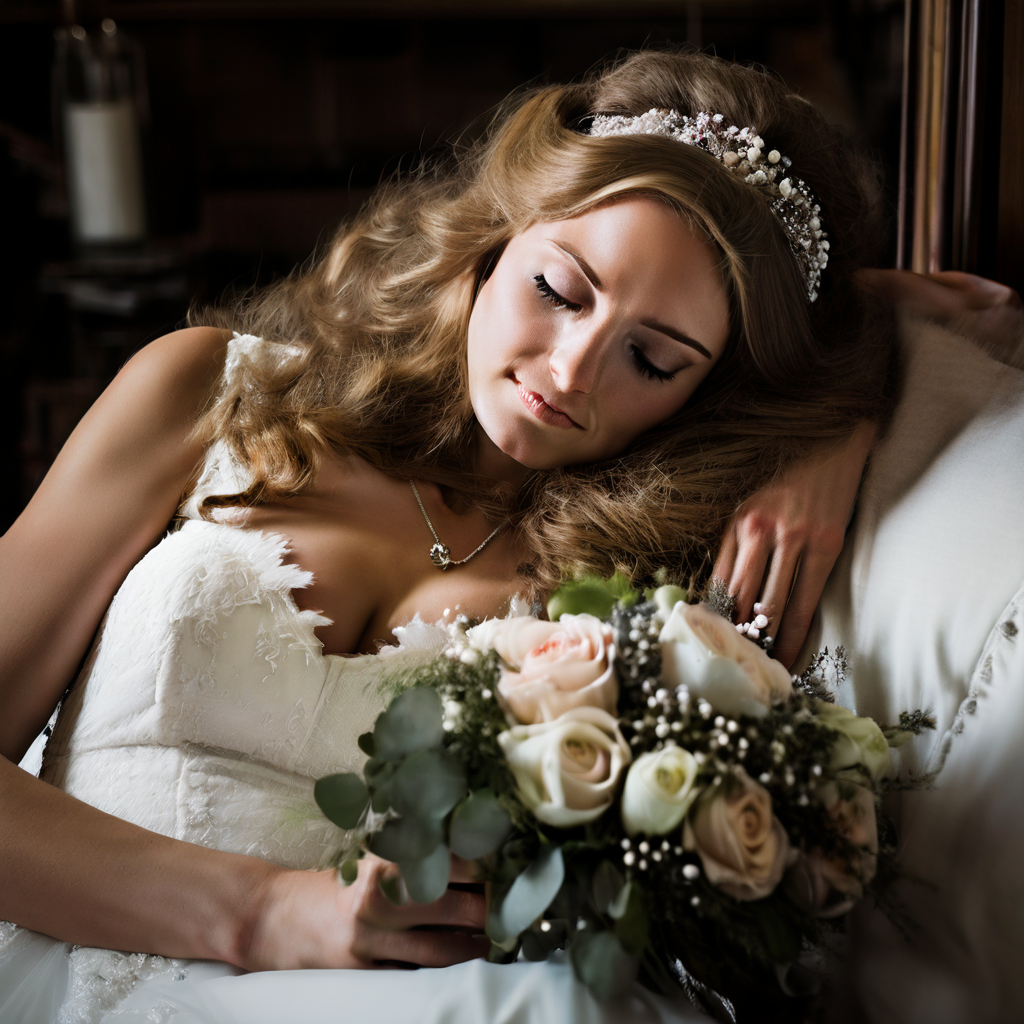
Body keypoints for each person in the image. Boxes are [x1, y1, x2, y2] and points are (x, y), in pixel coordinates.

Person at [0, 50, 899, 1022]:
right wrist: (260, 910)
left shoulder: (638, 591)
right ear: (496, 233)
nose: (572, 371)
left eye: (651, 357)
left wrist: (834, 431)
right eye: (559, 290)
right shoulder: (202, 390)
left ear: (707, 389)